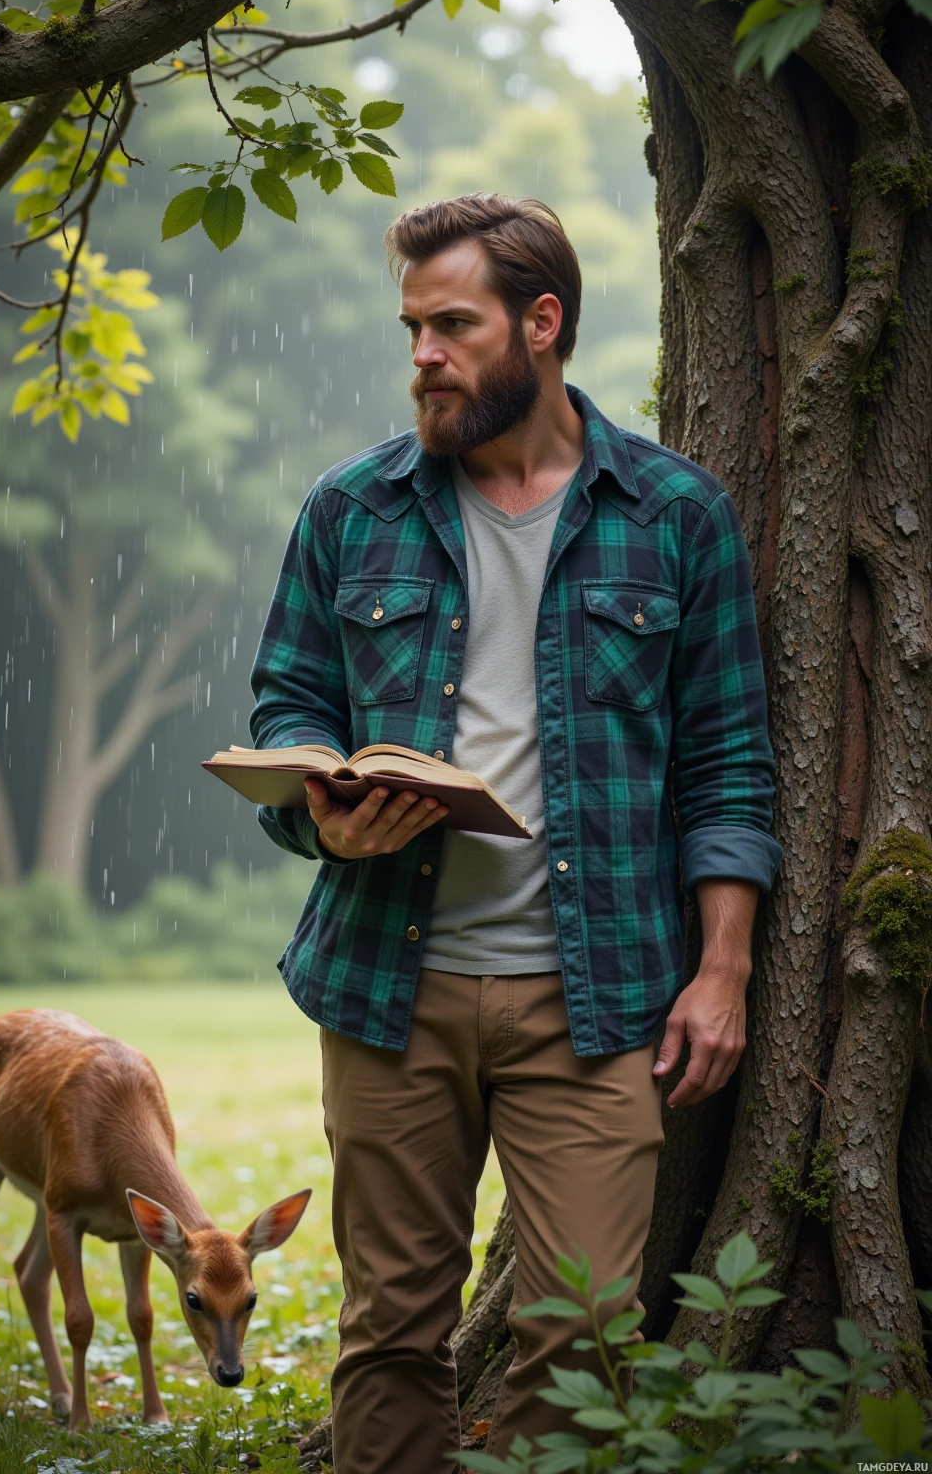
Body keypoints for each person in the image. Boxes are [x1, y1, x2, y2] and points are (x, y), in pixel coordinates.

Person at [249, 193, 781, 1473]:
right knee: (389, 1332)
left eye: (451, 325)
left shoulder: (674, 515)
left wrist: (723, 969)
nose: (421, 354)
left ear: (541, 325)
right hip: (385, 978)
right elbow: (288, 704)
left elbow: (726, 760)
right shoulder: (350, 508)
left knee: (585, 1330)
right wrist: (327, 815)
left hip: (595, 1000)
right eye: (411, 328)